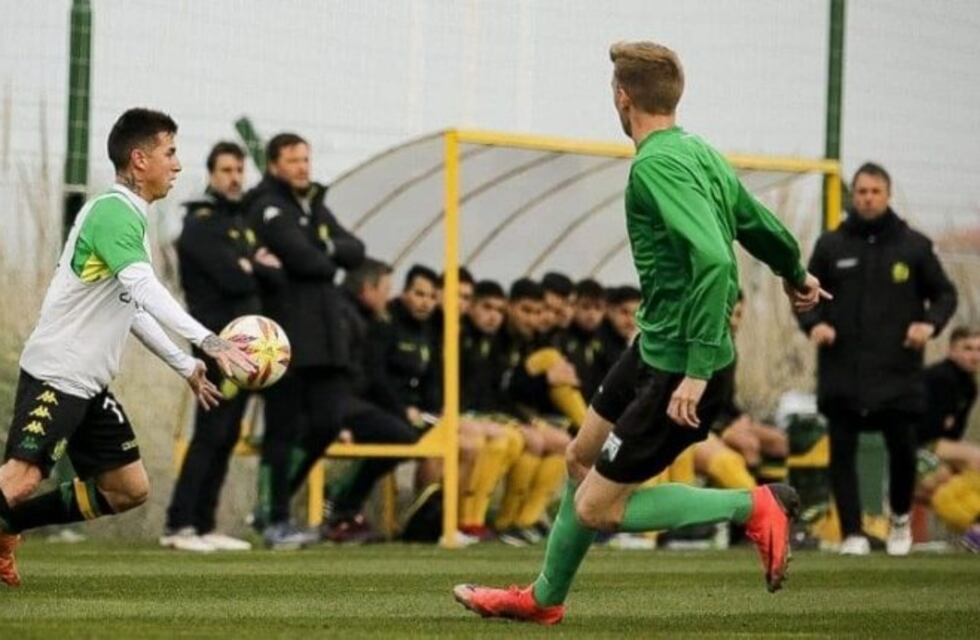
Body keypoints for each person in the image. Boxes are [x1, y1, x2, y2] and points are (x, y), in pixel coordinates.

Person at [454, 41, 825, 624]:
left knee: (597, 508)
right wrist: (794, 270)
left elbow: (715, 261)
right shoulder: (698, 152)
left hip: (683, 363)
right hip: (652, 347)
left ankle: (753, 505)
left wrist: (697, 372)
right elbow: (753, 221)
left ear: (622, 97)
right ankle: (543, 600)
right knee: (579, 457)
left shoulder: (655, 165)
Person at [0, 108, 254, 586]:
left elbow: (130, 308)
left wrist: (184, 363)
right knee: (21, 478)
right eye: (170, 152)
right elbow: (145, 289)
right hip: (58, 372)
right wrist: (209, 341)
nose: (178, 165)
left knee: (126, 488)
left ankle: (8, 527)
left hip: (87, 382)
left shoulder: (131, 218)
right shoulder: (113, 212)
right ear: (140, 160)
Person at [796, 162, 957, 557]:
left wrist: (929, 326)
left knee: (903, 447)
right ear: (853, 195)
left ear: (887, 195)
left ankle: (899, 518)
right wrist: (813, 324)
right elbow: (803, 294)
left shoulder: (914, 246)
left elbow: (945, 295)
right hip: (842, 368)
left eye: (875, 191)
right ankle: (853, 533)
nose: (867, 198)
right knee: (843, 449)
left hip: (897, 370)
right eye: (862, 191)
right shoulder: (831, 245)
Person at [160, 142, 283, 553]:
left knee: (228, 434)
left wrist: (255, 266)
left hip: (244, 354)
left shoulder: (239, 222)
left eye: (239, 170)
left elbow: (270, 274)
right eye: (226, 170)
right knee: (210, 433)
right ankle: (179, 525)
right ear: (211, 174)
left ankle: (205, 523)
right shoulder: (202, 223)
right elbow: (236, 280)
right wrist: (253, 266)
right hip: (215, 346)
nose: (234, 177)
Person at [245, 132, 366, 549]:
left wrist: (324, 247)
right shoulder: (267, 206)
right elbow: (304, 259)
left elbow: (356, 249)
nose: (302, 167)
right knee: (281, 430)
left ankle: (269, 508)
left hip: (327, 341)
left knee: (328, 423)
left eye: (306, 160)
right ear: (275, 164)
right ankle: (274, 518)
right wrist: (325, 254)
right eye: (293, 160)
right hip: (285, 339)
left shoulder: (314, 205)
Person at [320, 258, 423, 542]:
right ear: (367, 288)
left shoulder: (364, 317)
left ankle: (344, 507)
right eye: (385, 289)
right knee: (401, 434)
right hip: (336, 402)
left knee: (402, 435)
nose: (388, 297)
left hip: (348, 401)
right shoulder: (344, 315)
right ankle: (340, 503)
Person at [918, 326, 980, 550]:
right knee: (976, 458)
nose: (974, 355)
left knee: (947, 487)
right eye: (968, 348)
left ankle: (974, 531)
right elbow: (926, 428)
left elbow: (953, 430)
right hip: (915, 445)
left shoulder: (969, 386)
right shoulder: (940, 378)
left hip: (937, 447)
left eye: (978, 349)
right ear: (952, 351)